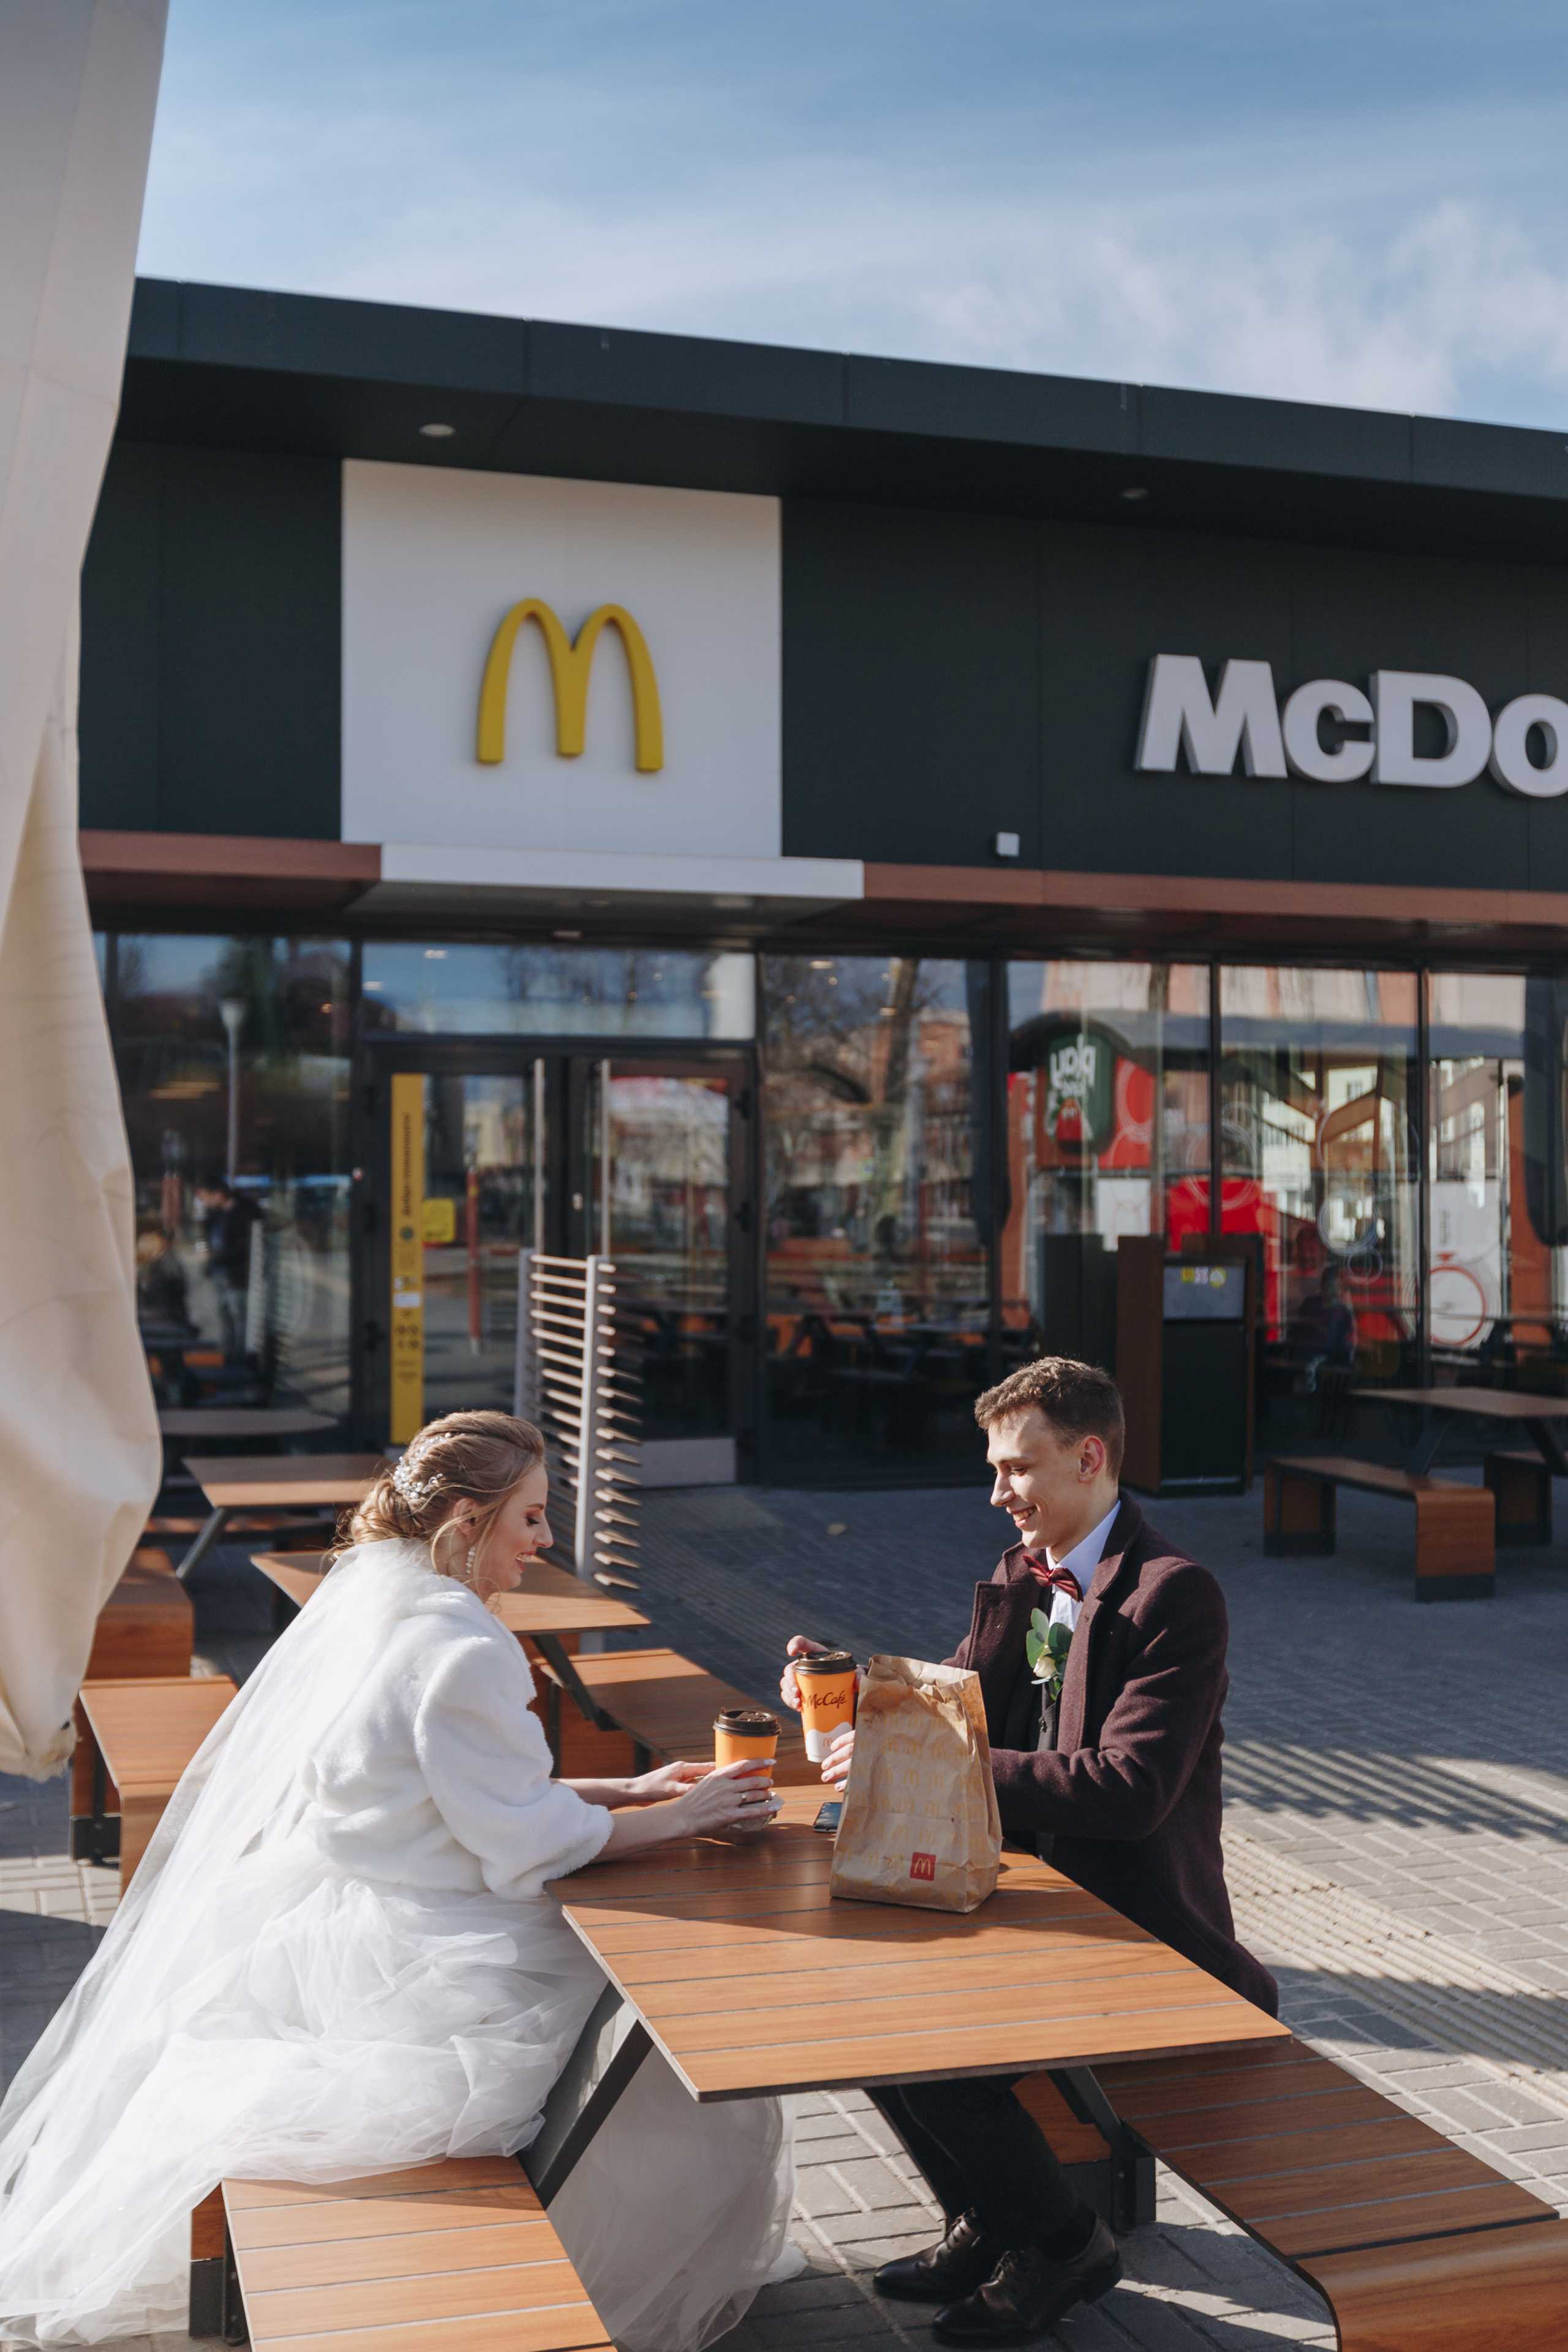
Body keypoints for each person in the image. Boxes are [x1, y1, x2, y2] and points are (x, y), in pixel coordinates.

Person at [0, 1412, 794, 2350]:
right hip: (436, 1942)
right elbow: (524, 1842)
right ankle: (543, 2294)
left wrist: (623, 1784)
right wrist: (678, 1820)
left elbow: (437, 1785)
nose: (544, 1543)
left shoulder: (379, 1603)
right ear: (467, 1521)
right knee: (662, 2036)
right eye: (532, 1520)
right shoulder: (463, 1646)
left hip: (343, 1915)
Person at [782, 1357, 1277, 2350]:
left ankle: (1060, 2246)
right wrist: (849, 1693)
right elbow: (951, 1711)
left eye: (1016, 1469)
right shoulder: (1025, 1571)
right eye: (996, 1469)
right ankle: (989, 2225)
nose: (996, 1492)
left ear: (1089, 1457)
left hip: (1134, 1935)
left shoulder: (1176, 1596)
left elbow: (1131, 1792)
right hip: (1028, 1903)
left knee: (942, 2065)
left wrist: (933, 1755)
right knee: (874, 2024)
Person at [195, 1175, 262, 1358]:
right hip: (221, 1273)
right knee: (225, 1317)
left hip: (237, 1274)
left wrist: (218, 1259)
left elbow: (243, 1246)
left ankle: (240, 1357)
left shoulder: (245, 1211)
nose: (205, 1203)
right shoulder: (217, 1215)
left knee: (239, 1318)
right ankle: (229, 1353)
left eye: (205, 1197)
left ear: (218, 1194)